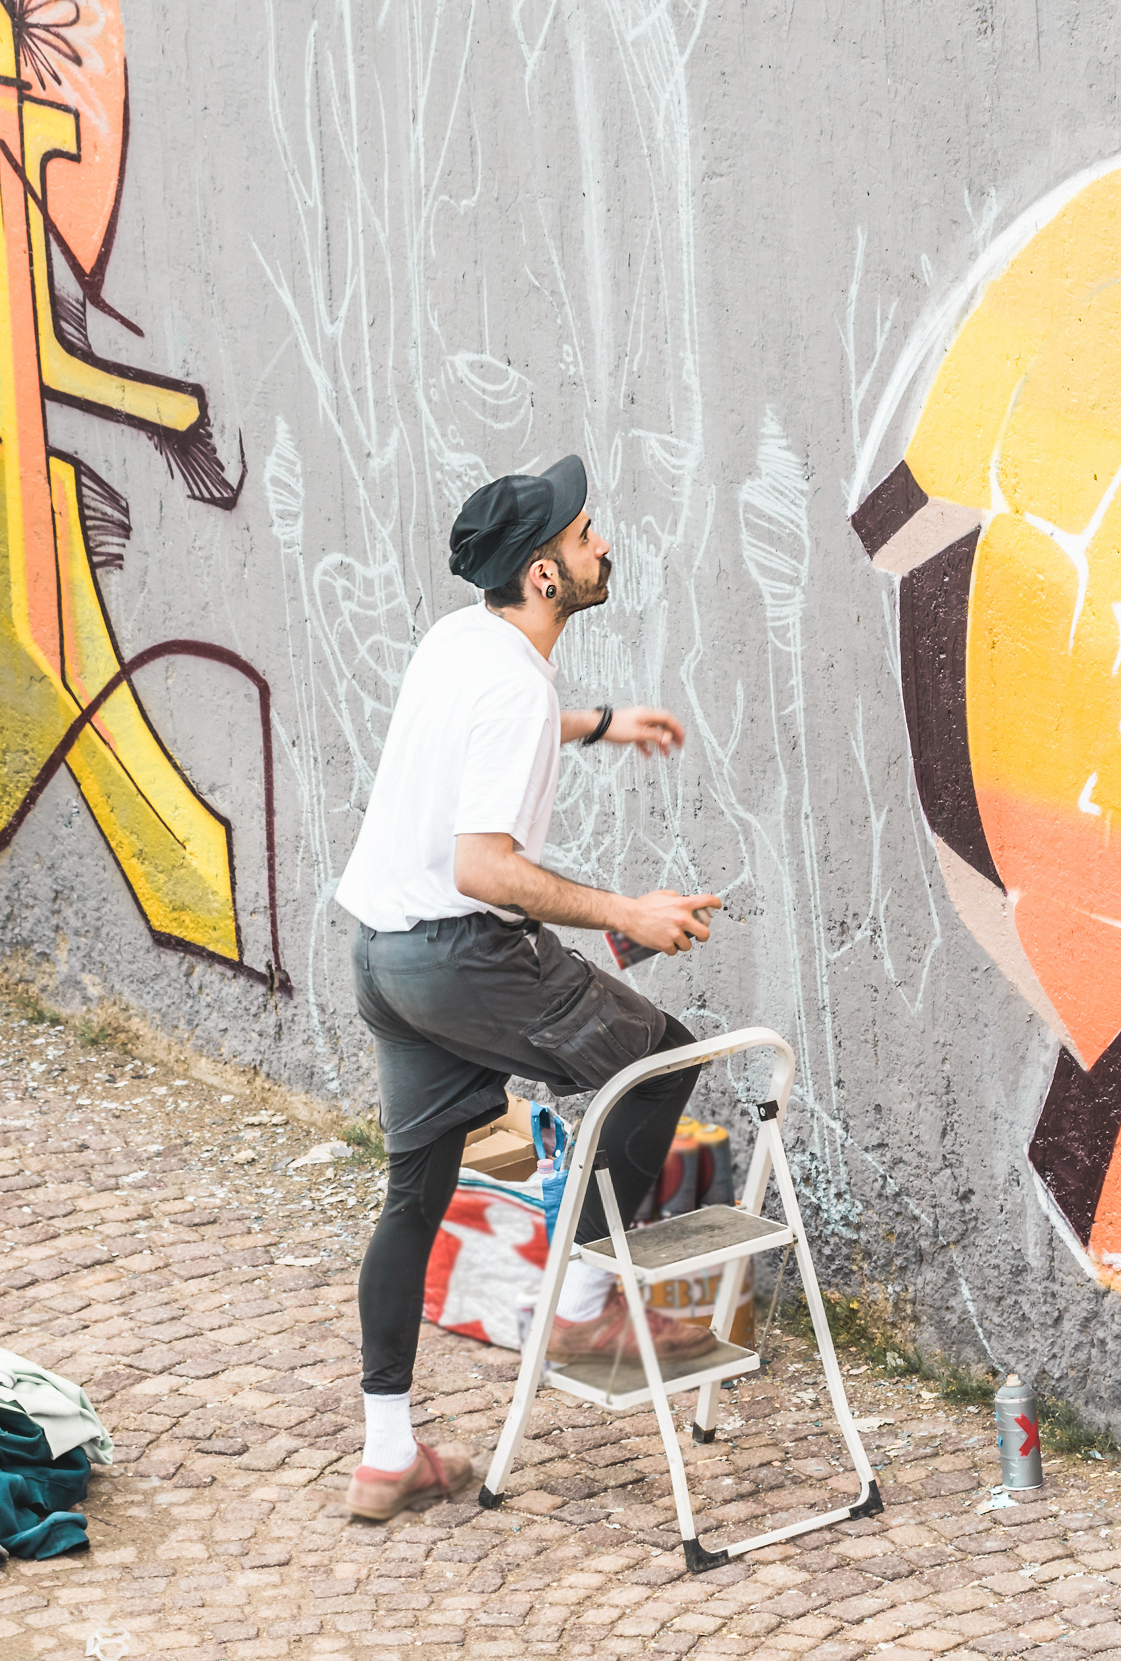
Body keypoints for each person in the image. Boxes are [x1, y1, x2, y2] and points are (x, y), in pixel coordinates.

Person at [331, 453, 728, 1521]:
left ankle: (386, 1454)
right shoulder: (509, 679)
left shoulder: (464, 641)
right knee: (655, 1061)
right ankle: (586, 1305)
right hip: (464, 951)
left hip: (381, 952)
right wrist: (626, 914)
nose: (604, 541)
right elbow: (484, 866)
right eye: (586, 532)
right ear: (545, 574)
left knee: (410, 1197)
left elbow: (494, 734)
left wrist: (601, 723)